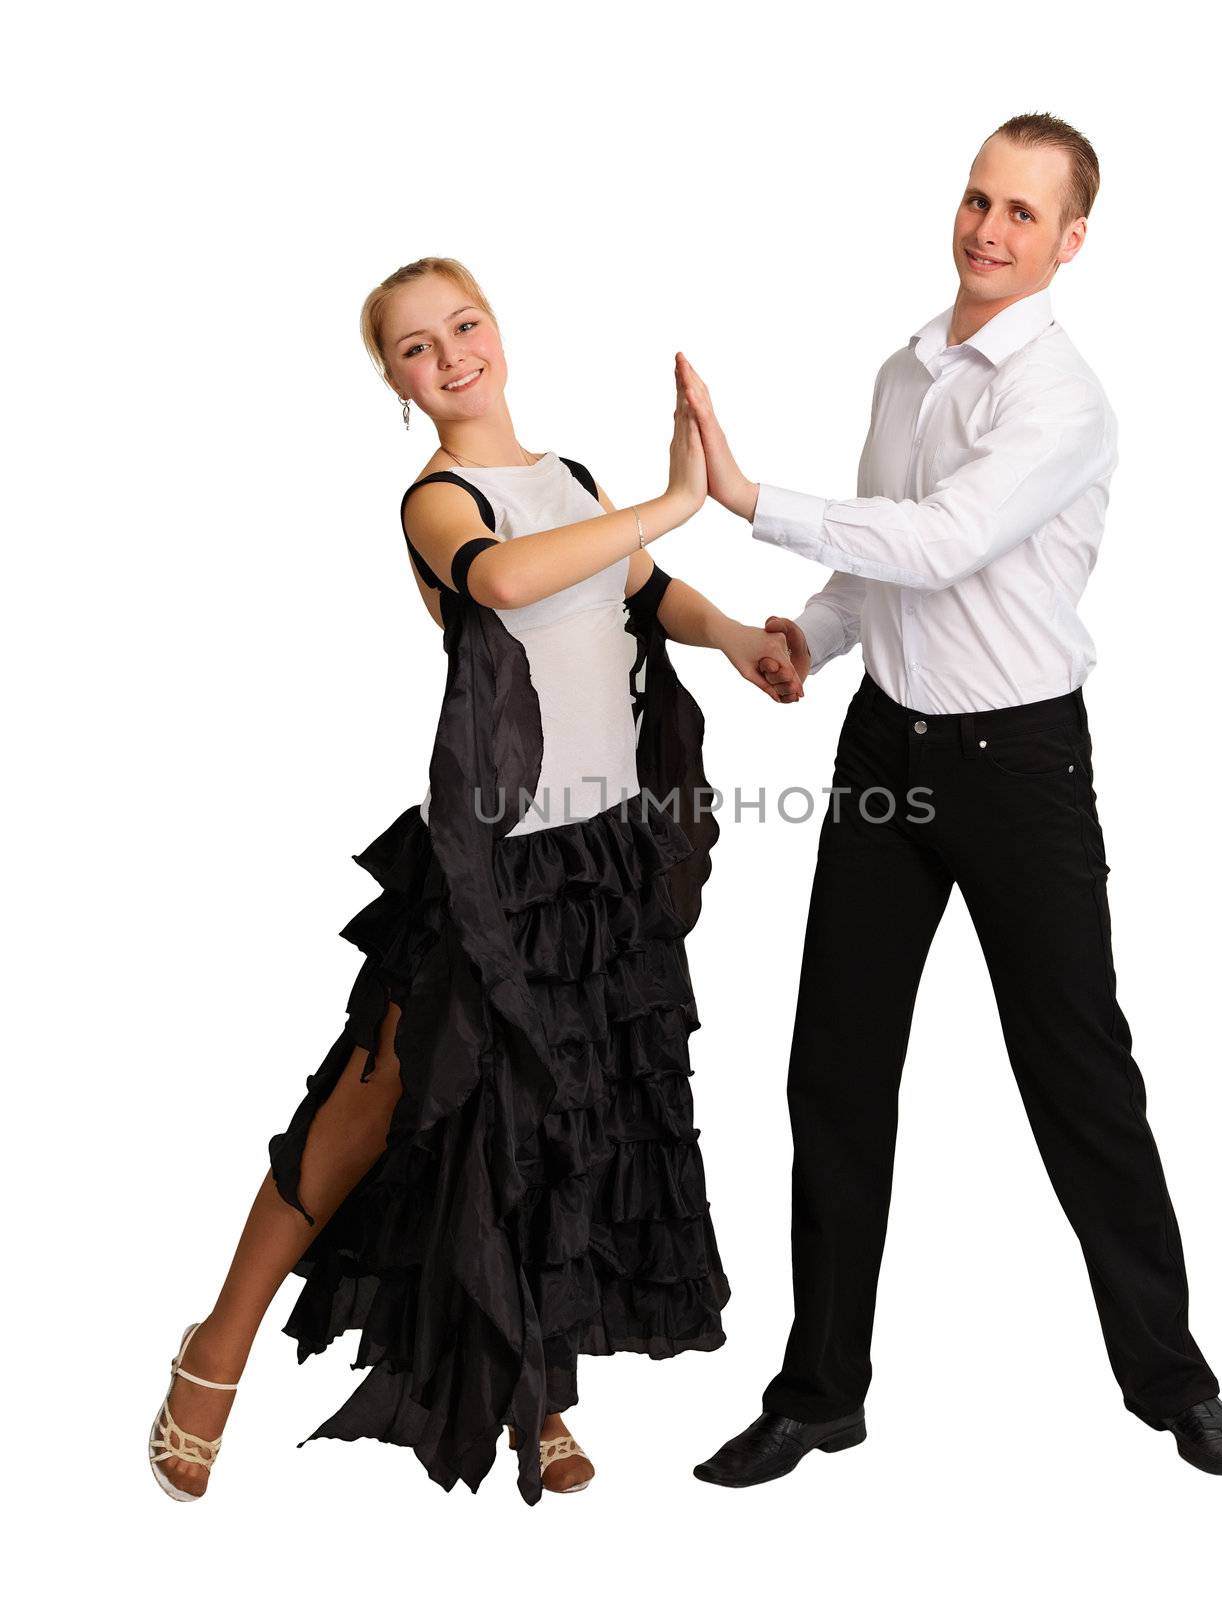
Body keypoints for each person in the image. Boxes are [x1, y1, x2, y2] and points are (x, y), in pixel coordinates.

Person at [147, 256, 804, 1506]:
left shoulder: (568, 482)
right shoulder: (438, 500)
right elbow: (509, 579)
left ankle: (535, 1386)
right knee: (371, 1098)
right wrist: (675, 497)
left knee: (556, 1124)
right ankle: (214, 1349)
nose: (450, 355)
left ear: (498, 330)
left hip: (600, 855)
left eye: (464, 324)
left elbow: (639, 592)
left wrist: (734, 637)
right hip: (492, 861)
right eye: (414, 347)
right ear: (394, 383)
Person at [681, 112, 1222, 1483]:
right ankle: (820, 1391)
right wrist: (810, 644)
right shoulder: (904, 368)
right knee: (834, 1070)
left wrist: (749, 496)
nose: (987, 230)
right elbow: (885, 553)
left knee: (1079, 1082)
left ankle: (1172, 1384)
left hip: (1019, 772)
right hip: (886, 754)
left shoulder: (1060, 398)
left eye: (1021, 213)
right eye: (976, 200)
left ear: (1069, 242)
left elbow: (943, 545)